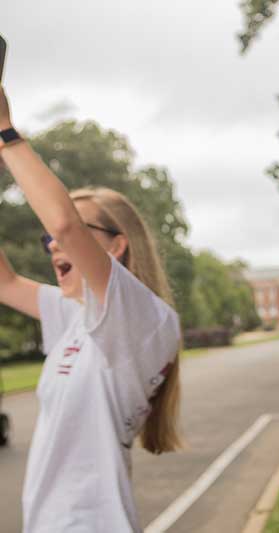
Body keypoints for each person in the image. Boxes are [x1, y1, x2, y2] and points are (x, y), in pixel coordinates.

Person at [0, 89, 182, 532]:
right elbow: (3, 282)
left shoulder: (146, 320)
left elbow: (62, 221)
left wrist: (6, 133)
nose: (53, 243)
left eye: (77, 234)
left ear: (117, 244)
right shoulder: (73, 315)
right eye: (49, 240)